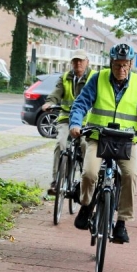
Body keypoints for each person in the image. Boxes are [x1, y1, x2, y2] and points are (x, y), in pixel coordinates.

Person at [69, 43, 137, 243]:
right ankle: (86, 205)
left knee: (130, 175)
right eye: (117, 65)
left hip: (126, 141)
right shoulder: (97, 78)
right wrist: (75, 123)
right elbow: (81, 103)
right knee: (90, 173)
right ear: (111, 63)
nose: (121, 69)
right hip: (98, 137)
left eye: (125, 65)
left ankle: (122, 223)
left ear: (131, 64)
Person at [42, 49, 96, 195]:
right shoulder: (65, 77)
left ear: (87, 62)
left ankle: (87, 179)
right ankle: (56, 181)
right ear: (71, 62)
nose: (78, 63)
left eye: (81, 60)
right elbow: (56, 93)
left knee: (86, 144)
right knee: (61, 144)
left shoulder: (94, 77)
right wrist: (49, 103)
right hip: (67, 118)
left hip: (87, 121)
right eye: (75, 61)